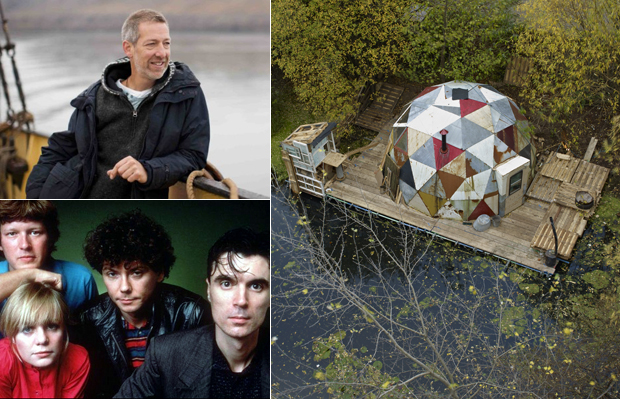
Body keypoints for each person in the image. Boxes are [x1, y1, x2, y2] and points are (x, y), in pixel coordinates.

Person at [26, 9, 210, 199]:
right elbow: (62, 148)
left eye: (166, 43)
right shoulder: (94, 97)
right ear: (128, 48)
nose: (161, 53)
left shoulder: (187, 94)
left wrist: (148, 170)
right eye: (151, 44)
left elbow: (193, 156)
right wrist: (34, 196)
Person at [114, 227, 270, 398]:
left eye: (256, 286)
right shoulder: (165, 355)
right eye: (226, 283)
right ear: (209, 290)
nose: (241, 300)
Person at [73, 209, 210, 398]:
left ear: (160, 272)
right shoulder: (88, 318)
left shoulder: (191, 312)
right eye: (112, 274)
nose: (124, 288)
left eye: (136, 272)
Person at [0, 200, 97, 323]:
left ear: (50, 237)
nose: (24, 245)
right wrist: (31, 275)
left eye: (35, 232)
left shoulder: (80, 279)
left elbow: (94, 336)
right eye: (12, 234)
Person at [0, 282, 90, 398]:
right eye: (27, 329)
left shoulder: (77, 359)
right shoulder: (2, 361)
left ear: (63, 328)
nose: (42, 340)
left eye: (52, 326)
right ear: (12, 336)